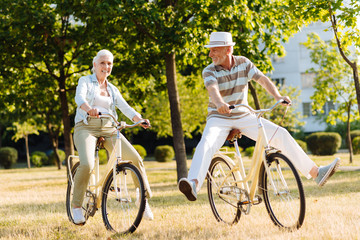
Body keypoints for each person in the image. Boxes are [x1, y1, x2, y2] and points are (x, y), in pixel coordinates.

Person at [178, 32, 340, 201]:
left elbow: (262, 79)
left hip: (243, 114)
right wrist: (219, 104)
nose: (210, 54)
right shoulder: (209, 70)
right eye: (210, 50)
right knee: (207, 143)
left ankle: (316, 173)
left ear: (228, 49)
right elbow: (213, 90)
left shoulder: (244, 63)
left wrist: (278, 97)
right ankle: (193, 184)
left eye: (214, 50)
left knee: (281, 134)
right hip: (219, 117)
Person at [72, 49, 154, 224]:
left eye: (109, 63)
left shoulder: (112, 89)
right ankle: (76, 206)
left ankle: (143, 199)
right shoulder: (85, 81)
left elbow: (125, 108)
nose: (106, 66)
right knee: (87, 164)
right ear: (95, 65)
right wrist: (89, 109)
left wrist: (139, 120)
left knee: (135, 158)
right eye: (102, 63)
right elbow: (79, 98)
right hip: (86, 127)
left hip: (109, 128)